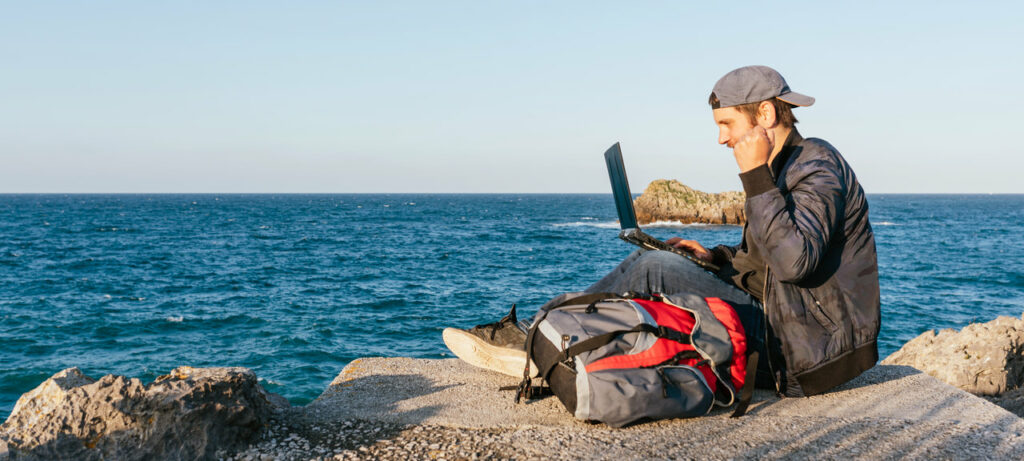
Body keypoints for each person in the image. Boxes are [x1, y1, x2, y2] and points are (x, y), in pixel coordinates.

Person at [443, 65, 880, 397]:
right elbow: (766, 256)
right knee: (662, 262)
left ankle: (539, 338)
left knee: (651, 266)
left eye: (727, 124)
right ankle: (569, 342)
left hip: (800, 351)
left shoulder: (816, 164)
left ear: (764, 113)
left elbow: (794, 262)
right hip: (779, 323)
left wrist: (755, 179)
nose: (721, 139)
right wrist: (716, 258)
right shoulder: (779, 167)